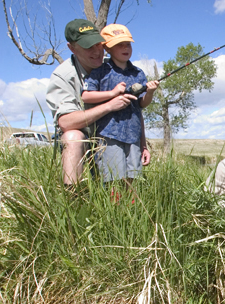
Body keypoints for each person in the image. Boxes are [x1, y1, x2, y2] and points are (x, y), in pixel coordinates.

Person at [46, 19, 137, 187]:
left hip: (111, 137)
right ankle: (74, 199)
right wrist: (110, 105)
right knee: (73, 137)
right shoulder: (63, 76)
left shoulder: (113, 67)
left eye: (98, 44)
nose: (97, 52)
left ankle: (123, 198)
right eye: (89, 47)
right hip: (86, 142)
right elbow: (65, 122)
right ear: (72, 48)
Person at [81, 24, 159, 184]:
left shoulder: (138, 73)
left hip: (133, 135)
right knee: (113, 179)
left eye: (128, 44)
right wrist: (113, 93)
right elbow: (86, 95)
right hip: (109, 134)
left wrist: (150, 92)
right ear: (107, 48)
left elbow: (142, 104)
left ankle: (129, 207)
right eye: (119, 45)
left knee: (132, 178)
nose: (125, 48)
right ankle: (115, 207)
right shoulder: (101, 70)